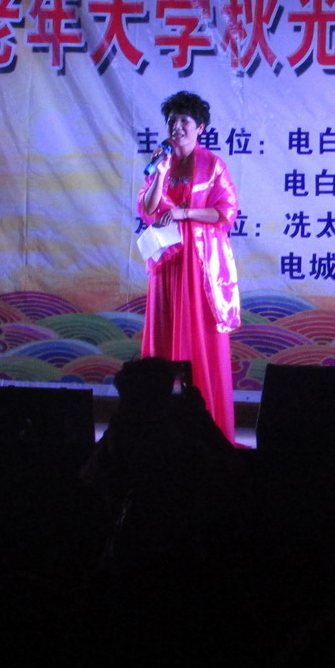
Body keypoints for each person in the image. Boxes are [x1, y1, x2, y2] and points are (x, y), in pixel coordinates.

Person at [136, 92, 240, 442]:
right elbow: (149, 209)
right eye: (172, 121)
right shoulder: (161, 162)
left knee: (199, 336)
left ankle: (206, 427)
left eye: (185, 121)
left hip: (200, 265)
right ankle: (157, 428)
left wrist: (184, 213)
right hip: (167, 263)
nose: (177, 127)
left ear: (200, 127)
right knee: (165, 335)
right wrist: (159, 173)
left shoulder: (212, 165)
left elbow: (225, 212)